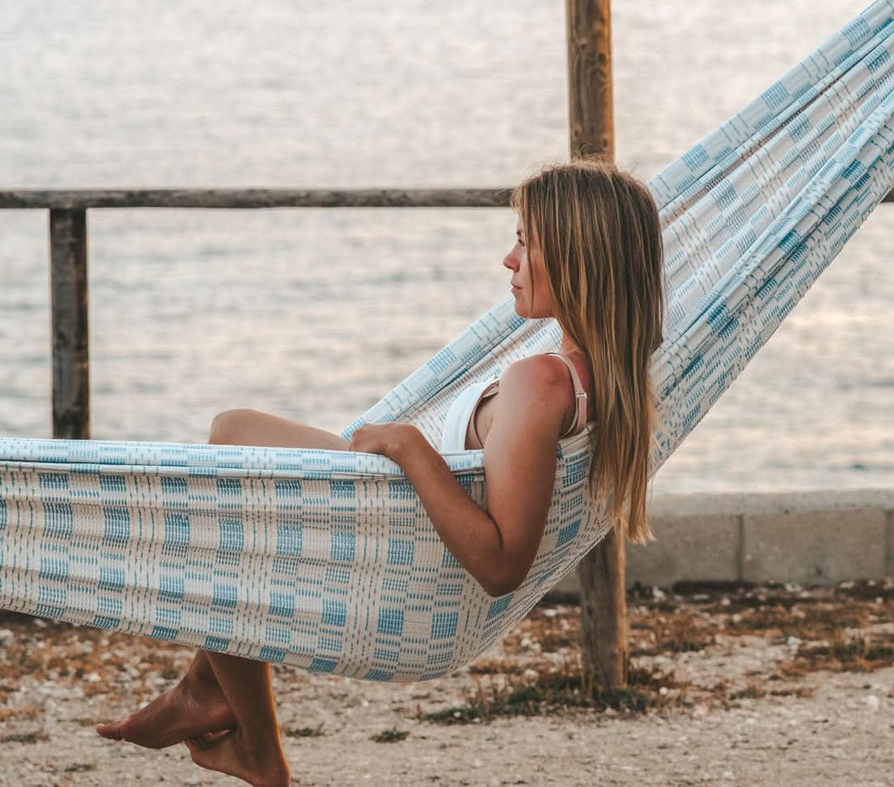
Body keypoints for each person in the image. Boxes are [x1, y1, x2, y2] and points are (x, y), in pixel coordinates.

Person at [93, 161, 666, 787]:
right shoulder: (602, 376)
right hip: (402, 520)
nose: (508, 260)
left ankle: (247, 734)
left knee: (230, 466)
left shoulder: (541, 381)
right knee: (234, 441)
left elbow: (502, 565)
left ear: (578, 258)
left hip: (405, 544)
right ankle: (207, 690)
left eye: (526, 242)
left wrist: (409, 446)